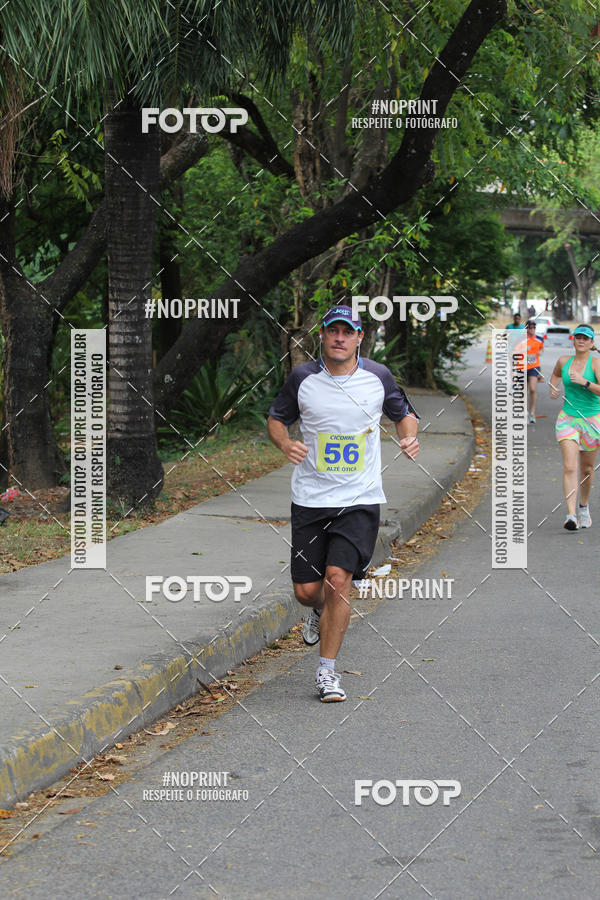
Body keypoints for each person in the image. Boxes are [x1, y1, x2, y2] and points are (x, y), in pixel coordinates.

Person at [267, 305, 419, 702]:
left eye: (347, 332)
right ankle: (318, 611)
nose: (339, 338)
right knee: (306, 591)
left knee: (338, 580)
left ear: (358, 337)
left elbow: (405, 414)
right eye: (333, 331)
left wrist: (408, 437)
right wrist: (285, 443)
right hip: (311, 498)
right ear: (322, 336)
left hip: (360, 498)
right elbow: (276, 418)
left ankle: (327, 672)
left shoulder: (377, 376)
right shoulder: (302, 379)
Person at [549, 324, 600, 530]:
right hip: (567, 419)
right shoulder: (563, 361)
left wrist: (584, 382)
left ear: (591, 343)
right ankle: (571, 515)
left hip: (592, 421)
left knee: (587, 469)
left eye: (585, 338)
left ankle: (583, 507)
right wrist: (553, 387)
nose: (581, 340)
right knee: (570, 466)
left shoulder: (596, 364)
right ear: (573, 340)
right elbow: (555, 375)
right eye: (578, 337)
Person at [514, 320, 544, 424]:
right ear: (526, 329)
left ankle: (532, 412)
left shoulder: (540, 339)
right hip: (522, 367)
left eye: (533, 328)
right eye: (530, 327)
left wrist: (540, 352)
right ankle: (524, 413)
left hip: (534, 367)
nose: (532, 329)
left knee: (532, 388)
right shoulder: (521, 340)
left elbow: (541, 349)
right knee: (523, 391)